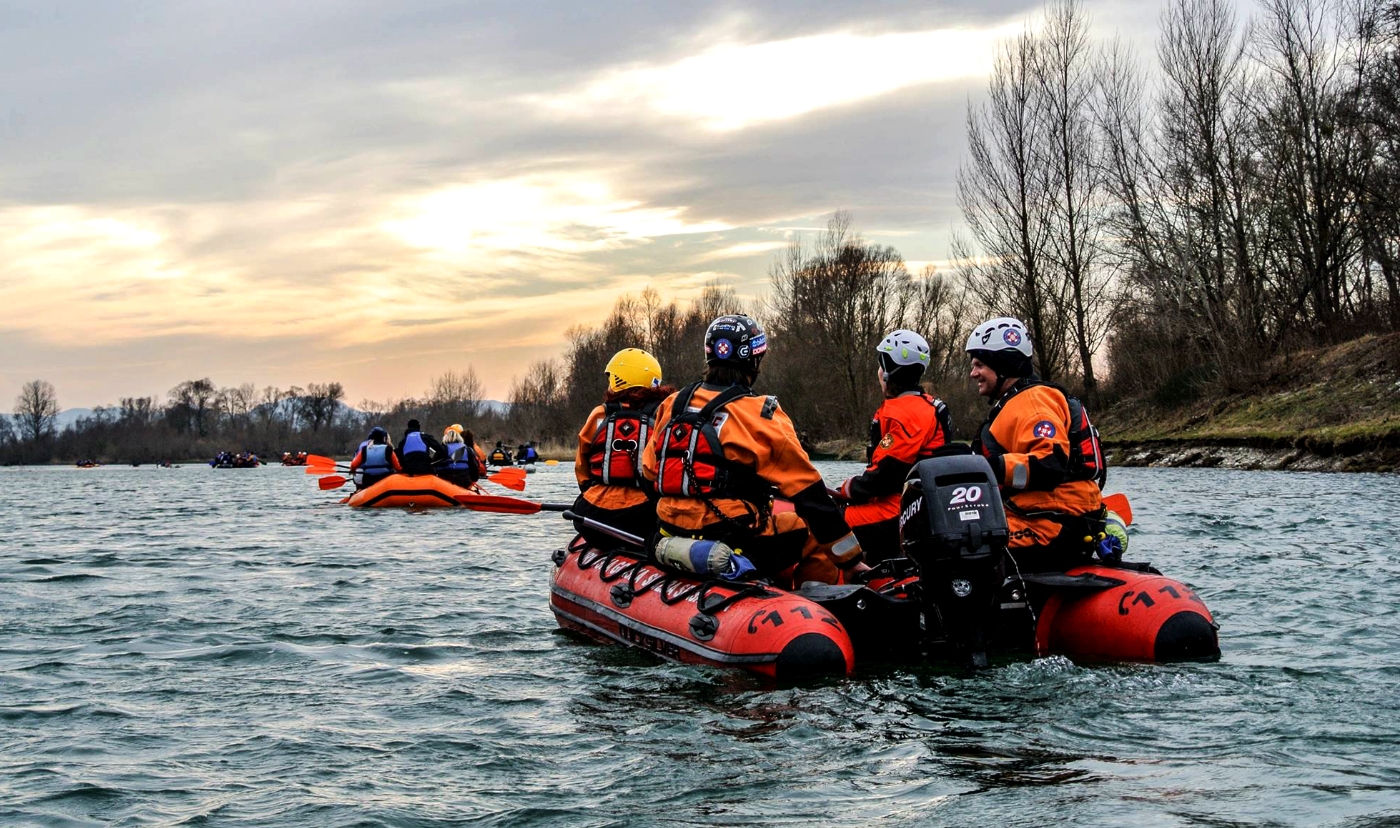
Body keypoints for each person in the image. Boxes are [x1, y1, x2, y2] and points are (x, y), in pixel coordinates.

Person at [641, 314, 864, 586]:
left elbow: (651, 473)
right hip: (733, 537)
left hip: (670, 530)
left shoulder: (671, 405)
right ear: (755, 359)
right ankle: (817, 608)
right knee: (814, 534)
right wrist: (851, 560)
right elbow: (810, 494)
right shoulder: (761, 414)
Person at [965, 316, 1111, 571]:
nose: (973, 373)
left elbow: (1049, 464)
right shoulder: (1017, 404)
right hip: (1043, 517)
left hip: (1051, 526)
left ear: (1002, 364)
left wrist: (987, 467)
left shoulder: (1032, 402)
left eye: (979, 364)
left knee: (957, 550)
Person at [833, 329, 953, 563]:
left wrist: (845, 490)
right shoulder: (924, 406)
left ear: (888, 371)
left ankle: (824, 590)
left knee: (826, 523)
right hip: (914, 505)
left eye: (881, 366)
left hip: (899, 509)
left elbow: (885, 475)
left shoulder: (904, 414)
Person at [573, 348, 673, 547]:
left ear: (621, 380)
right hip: (643, 517)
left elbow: (582, 471)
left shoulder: (599, 415)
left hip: (592, 513)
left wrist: (594, 491)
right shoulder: (665, 414)